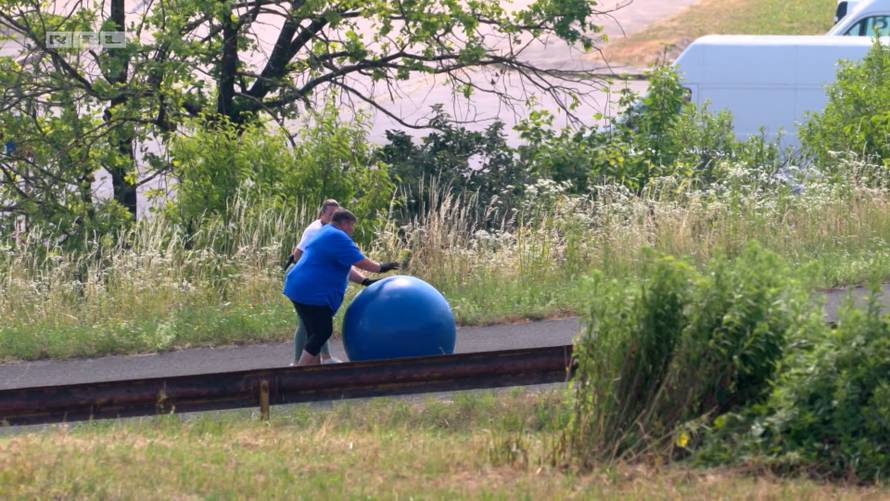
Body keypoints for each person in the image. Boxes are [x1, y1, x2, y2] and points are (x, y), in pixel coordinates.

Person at [283, 208, 399, 366]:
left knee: (314, 333)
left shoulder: (326, 232)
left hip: (298, 287)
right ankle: (298, 374)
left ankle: (311, 377)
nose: (352, 230)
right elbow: (359, 261)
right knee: (323, 331)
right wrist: (381, 267)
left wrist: (365, 281)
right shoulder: (336, 236)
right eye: (351, 225)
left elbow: (346, 264)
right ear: (343, 223)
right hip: (311, 292)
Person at [285, 199, 340, 364]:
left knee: (317, 322)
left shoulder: (327, 229)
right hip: (301, 278)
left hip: (309, 278)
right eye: (330, 215)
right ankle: (297, 363)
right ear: (322, 214)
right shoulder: (315, 230)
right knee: (306, 323)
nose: (333, 218)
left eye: (336, 215)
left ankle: (325, 357)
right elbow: (297, 255)